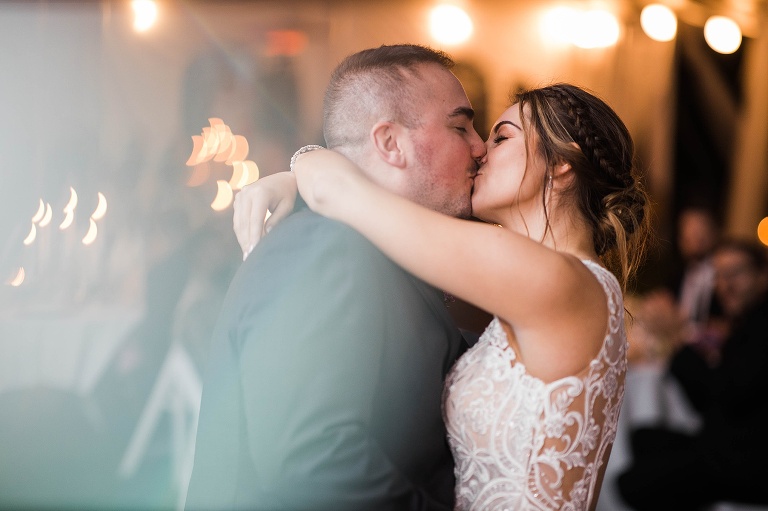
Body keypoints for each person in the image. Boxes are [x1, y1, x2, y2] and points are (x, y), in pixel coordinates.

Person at [236, 82, 651, 509]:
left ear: (562, 164)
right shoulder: (551, 285)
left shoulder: (555, 280)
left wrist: (301, 164)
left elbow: (340, 194)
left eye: (501, 137)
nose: (480, 151)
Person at [185, 44, 486, 511]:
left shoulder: (371, 250)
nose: (480, 146)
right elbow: (314, 467)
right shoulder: (327, 249)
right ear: (390, 143)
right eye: (460, 126)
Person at [617, 239, 768, 510]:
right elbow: (707, 398)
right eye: (720, 276)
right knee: (643, 437)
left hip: (747, 460)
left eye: (736, 273)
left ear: (762, 275)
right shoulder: (746, 321)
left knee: (631, 483)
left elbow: (727, 393)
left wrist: (676, 335)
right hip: (725, 443)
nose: (726, 285)